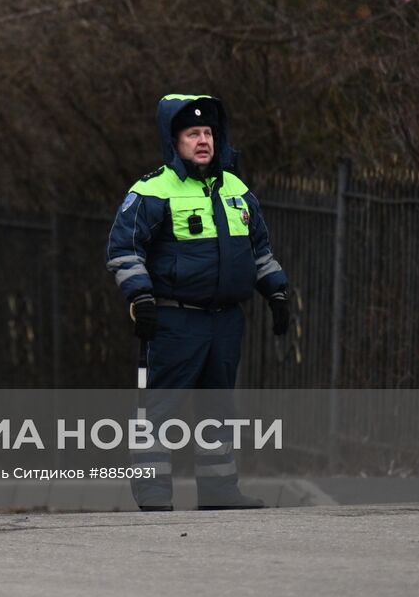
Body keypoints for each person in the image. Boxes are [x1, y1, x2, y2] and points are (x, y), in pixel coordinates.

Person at [105, 95, 290, 511]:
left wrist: (276, 291)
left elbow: (259, 249)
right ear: (175, 141)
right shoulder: (152, 191)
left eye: (208, 133)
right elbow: (123, 249)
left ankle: (220, 490)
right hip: (174, 319)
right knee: (160, 408)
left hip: (225, 321)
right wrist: (142, 297)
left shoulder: (236, 189)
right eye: (193, 134)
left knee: (219, 408)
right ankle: (153, 494)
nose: (203, 140)